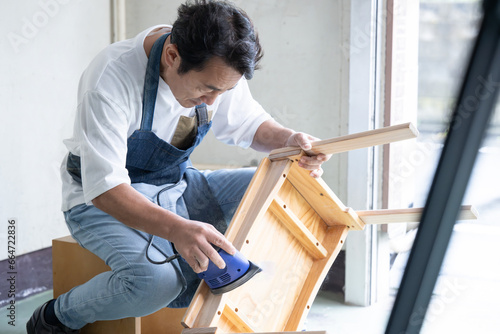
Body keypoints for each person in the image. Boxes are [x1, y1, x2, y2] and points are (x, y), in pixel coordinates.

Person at [27, 1, 330, 333]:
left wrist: (291, 139)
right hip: (99, 201)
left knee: (283, 187)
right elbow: (106, 190)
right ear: (172, 56)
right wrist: (176, 229)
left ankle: (263, 311)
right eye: (208, 89)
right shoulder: (111, 77)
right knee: (156, 283)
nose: (215, 101)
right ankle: (58, 316)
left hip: (176, 185)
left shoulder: (218, 64)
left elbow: (250, 125)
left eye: (225, 90)